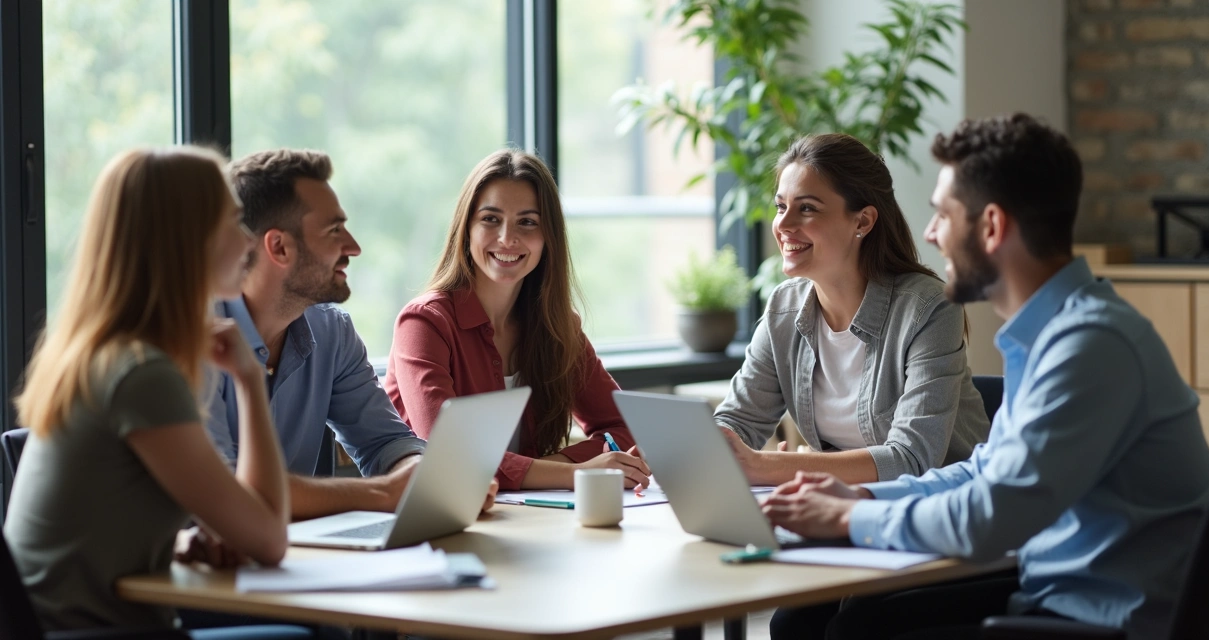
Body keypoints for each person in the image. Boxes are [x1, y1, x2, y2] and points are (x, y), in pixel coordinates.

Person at [761, 114, 1209, 640]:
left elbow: (991, 516)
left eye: (942, 215)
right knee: (821, 621)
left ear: (993, 227)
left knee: (857, 632)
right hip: (1048, 594)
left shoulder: (1091, 345)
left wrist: (848, 521)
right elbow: (983, 472)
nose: (930, 233)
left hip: (1102, 621)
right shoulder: (1050, 335)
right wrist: (860, 499)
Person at [3, 147, 298, 636]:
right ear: (188, 239)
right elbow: (269, 540)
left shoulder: (103, 355)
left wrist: (170, 542)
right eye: (232, 221)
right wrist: (248, 379)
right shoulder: (143, 376)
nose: (247, 240)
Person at [202, 149, 495, 526]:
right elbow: (225, 489)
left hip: (293, 558)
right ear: (279, 247)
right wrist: (385, 494)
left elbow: (384, 442)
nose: (353, 247)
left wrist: (425, 477)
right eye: (334, 230)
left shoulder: (332, 331)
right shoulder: (195, 334)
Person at [715, 133, 989, 486]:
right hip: (841, 512)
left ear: (862, 222)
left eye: (807, 208)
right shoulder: (784, 308)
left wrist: (769, 467)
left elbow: (912, 458)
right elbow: (737, 423)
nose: (783, 225)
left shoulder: (927, 308)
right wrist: (663, 457)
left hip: (940, 515)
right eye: (781, 206)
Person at [384, 150, 650, 491]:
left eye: (527, 222)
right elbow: (451, 457)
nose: (507, 238)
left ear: (547, 238)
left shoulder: (557, 327)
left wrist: (549, 467)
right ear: (466, 229)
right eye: (490, 219)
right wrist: (577, 472)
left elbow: (623, 427)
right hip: (431, 529)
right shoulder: (423, 324)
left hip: (527, 518)